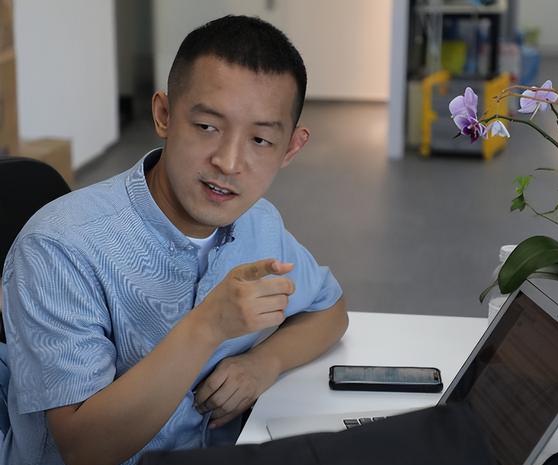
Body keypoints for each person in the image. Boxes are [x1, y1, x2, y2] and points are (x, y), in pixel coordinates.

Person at [0, 15, 347, 465]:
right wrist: (207, 326)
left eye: (261, 139)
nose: (229, 162)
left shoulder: (258, 222)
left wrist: (264, 363)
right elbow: (83, 449)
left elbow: (329, 310)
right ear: (164, 115)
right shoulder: (60, 245)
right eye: (207, 127)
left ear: (291, 149)